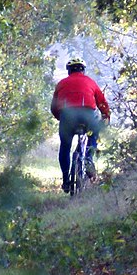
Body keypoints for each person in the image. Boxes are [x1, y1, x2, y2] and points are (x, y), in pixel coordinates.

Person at [50, 57, 111, 193]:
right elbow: (102, 103)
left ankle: (66, 179)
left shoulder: (61, 84)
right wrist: (106, 117)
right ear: (83, 70)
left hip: (67, 117)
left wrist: (61, 118)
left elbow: (53, 107)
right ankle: (88, 159)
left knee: (65, 147)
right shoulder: (91, 82)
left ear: (69, 71)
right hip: (88, 116)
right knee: (92, 136)